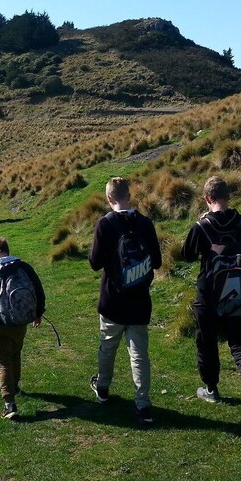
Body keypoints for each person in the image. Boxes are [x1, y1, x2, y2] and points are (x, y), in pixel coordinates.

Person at [180, 176, 241, 423]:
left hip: (208, 296)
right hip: (240, 295)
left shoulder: (202, 226)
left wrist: (200, 226)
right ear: (228, 197)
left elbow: (186, 254)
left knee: (206, 342)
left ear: (207, 199)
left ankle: (211, 389)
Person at [88, 177, 162, 425]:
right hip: (140, 300)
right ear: (128, 196)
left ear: (110, 198)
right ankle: (143, 404)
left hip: (113, 299)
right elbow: (158, 262)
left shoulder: (105, 224)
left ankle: (104, 388)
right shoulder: (145, 223)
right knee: (139, 354)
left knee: (107, 347)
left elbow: (95, 263)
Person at [0, 237, 46, 420]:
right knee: (15, 353)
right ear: (7, 250)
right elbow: (38, 290)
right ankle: (16, 385)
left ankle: (9, 403)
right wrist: (37, 314)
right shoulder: (24, 267)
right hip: (21, 321)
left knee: (1, 361)